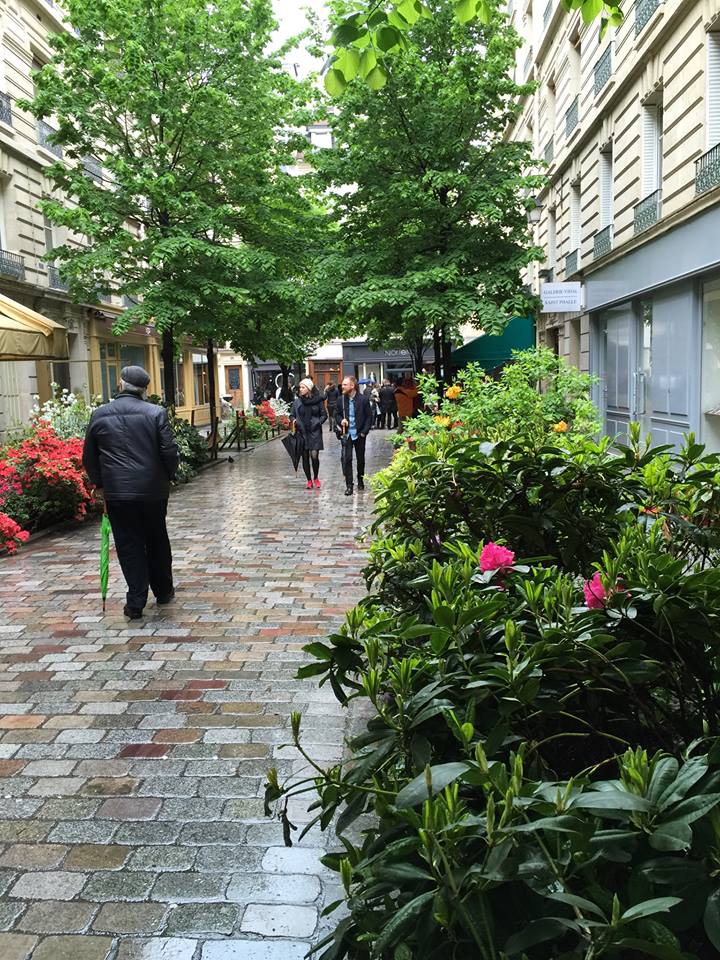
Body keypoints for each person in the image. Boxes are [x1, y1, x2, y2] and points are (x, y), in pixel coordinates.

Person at [82, 366, 180, 621]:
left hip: (118, 492)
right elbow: (168, 450)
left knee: (128, 544)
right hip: (152, 490)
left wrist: (100, 484)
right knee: (157, 538)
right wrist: (170, 475)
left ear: (121, 384)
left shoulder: (100, 414)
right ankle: (163, 590)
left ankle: (136, 601)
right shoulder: (155, 412)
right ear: (144, 389)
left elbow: (89, 456)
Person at [336, 375, 373, 496]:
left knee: (360, 459)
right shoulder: (341, 399)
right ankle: (349, 485)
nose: (343, 386)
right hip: (347, 434)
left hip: (359, 433)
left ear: (352, 386)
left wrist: (364, 432)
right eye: (342, 384)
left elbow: (369, 417)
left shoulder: (363, 399)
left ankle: (360, 480)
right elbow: (337, 414)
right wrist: (341, 420)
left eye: (345, 384)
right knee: (347, 459)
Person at [290, 378, 328, 490]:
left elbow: (324, 415)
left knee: (314, 456)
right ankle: (309, 480)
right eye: (300, 387)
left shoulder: (318, 401)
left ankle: (316, 477)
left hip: (314, 431)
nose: (300, 389)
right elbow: (292, 415)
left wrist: (318, 422)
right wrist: (294, 421)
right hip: (302, 432)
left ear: (309, 388)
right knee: (305, 457)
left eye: (303, 387)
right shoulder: (297, 402)